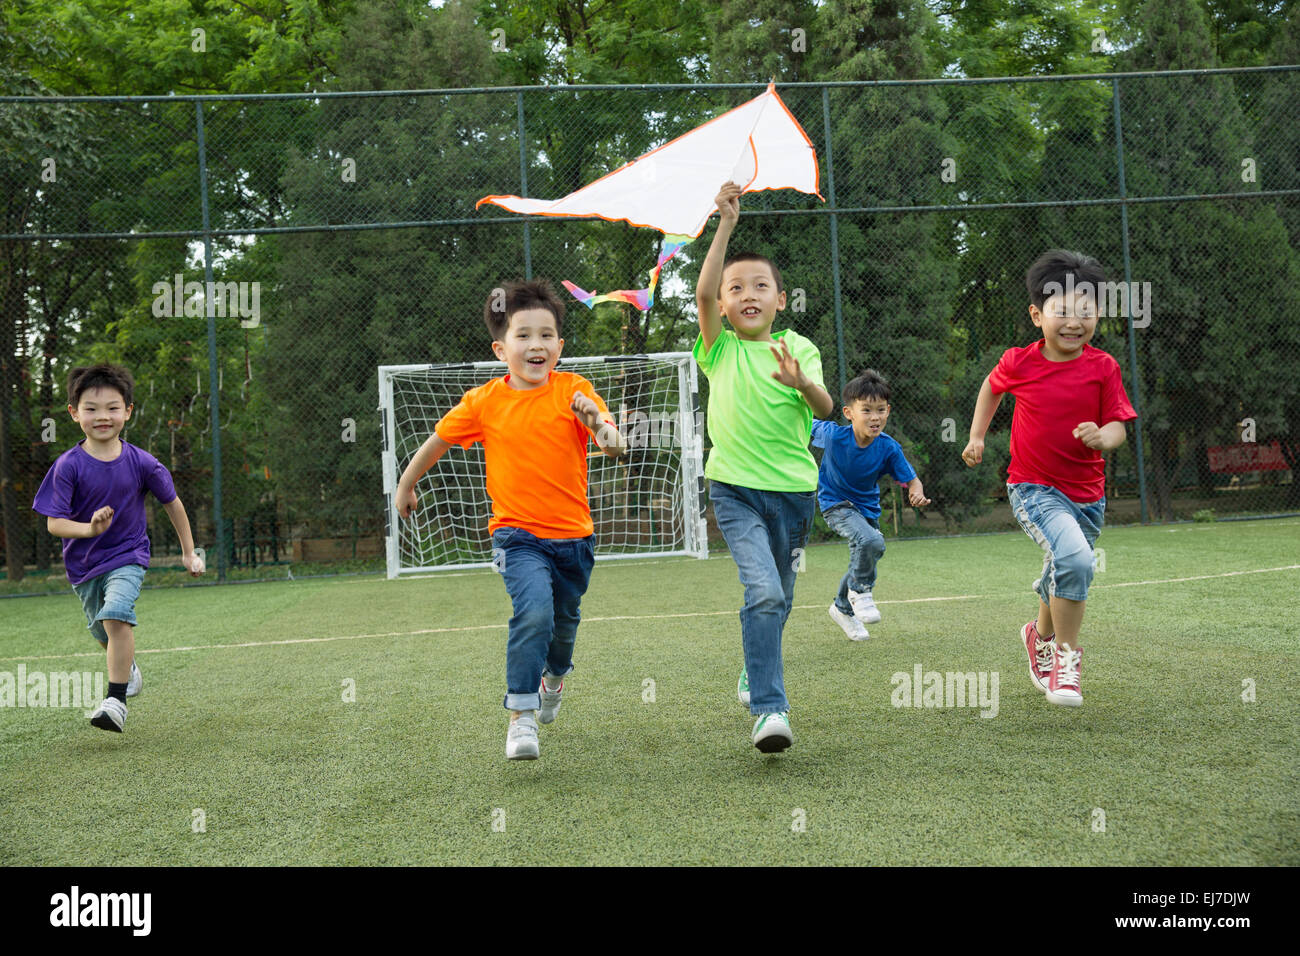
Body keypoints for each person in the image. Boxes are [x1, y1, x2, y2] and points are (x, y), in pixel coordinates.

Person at [394, 279, 626, 760]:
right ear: (501, 348)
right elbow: (436, 441)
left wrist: (597, 423)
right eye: (524, 336)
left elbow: (615, 445)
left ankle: (554, 679)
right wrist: (406, 484)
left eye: (546, 336)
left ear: (559, 346)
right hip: (516, 536)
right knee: (534, 612)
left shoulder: (575, 391)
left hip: (574, 540)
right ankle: (521, 715)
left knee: (563, 627)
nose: (536, 345)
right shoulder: (483, 402)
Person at [695, 181, 835, 753]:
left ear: (780, 299)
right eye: (736, 287)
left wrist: (803, 384)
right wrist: (724, 224)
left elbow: (828, 409)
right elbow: (700, 294)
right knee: (765, 592)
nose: (746, 293)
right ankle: (770, 710)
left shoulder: (798, 348)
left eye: (760, 286)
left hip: (795, 494)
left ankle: (755, 668)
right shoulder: (719, 349)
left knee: (780, 597)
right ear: (724, 304)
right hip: (733, 490)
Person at [962, 250, 1137, 706]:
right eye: (1063, 310)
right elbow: (991, 386)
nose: (1074, 321)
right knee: (1076, 561)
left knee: (1062, 564)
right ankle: (1065, 660)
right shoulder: (1020, 362)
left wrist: (1104, 436)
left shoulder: (1104, 368)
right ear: (1038, 315)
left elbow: (1119, 424)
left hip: (1088, 495)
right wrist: (977, 436)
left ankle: (1037, 635)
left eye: (1086, 310)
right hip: (1033, 487)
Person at [32, 363, 205, 733]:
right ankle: (129, 671)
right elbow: (54, 523)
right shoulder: (67, 467)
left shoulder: (143, 462)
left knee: (115, 614)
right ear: (74, 413)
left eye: (112, 407)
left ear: (127, 411)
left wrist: (189, 552)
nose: (102, 416)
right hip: (83, 567)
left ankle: (115, 701)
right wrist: (90, 527)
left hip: (128, 557)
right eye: (91, 409)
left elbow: (172, 503)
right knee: (104, 631)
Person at [813, 369, 930, 641]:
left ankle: (843, 606)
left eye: (880, 410)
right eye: (866, 410)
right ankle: (861, 591)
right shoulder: (832, 436)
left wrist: (916, 492)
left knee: (868, 550)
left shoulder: (888, 448)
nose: (875, 417)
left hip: (866, 510)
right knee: (871, 542)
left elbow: (912, 480)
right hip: (835, 504)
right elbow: (798, 425)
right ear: (848, 412)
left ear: (888, 411)